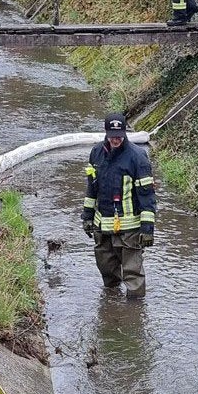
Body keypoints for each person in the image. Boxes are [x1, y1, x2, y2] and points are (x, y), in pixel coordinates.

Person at [81, 114, 156, 297]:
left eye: (119, 135)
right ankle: (111, 304)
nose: (116, 139)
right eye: (112, 135)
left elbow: (147, 195)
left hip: (130, 228)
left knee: (133, 272)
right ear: (106, 133)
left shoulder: (137, 157)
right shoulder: (96, 153)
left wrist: (147, 229)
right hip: (103, 225)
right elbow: (91, 188)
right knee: (106, 267)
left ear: (125, 134)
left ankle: (135, 313)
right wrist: (87, 216)